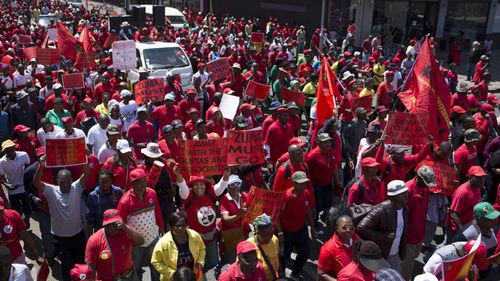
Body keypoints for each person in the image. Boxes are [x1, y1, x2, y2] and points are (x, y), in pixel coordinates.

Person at [33, 156, 89, 281]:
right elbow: (36, 183)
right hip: (60, 239)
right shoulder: (51, 190)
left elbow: (86, 173)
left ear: (71, 180)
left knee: (80, 266)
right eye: (61, 182)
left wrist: (84, 158)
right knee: (67, 267)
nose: (65, 185)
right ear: (56, 181)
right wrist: (41, 166)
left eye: (67, 181)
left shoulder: (76, 187)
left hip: (77, 236)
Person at [173, 164, 230, 271]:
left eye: (202, 184)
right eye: (196, 185)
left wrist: (226, 174)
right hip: (195, 239)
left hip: (211, 237)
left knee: (213, 261)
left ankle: (199, 273)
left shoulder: (211, 193)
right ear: (192, 187)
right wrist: (178, 174)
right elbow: (182, 185)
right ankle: (198, 276)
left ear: (205, 185)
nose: (199, 187)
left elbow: (222, 185)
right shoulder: (187, 196)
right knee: (196, 262)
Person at [118, 168, 164, 281]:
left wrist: (161, 226)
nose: (143, 184)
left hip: (153, 238)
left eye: (144, 180)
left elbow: (157, 211)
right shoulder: (125, 201)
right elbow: (121, 223)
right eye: (139, 181)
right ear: (132, 183)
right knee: (136, 269)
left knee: (156, 265)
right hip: (135, 244)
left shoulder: (152, 193)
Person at [357, 180, 409, 271]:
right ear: (393, 196)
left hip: (396, 255)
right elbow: (361, 228)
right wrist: (383, 237)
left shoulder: (405, 209)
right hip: (381, 256)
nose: (406, 195)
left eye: (405, 192)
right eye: (402, 193)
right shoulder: (380, 210)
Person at [85, 209, 145, 281]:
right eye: (111, 224)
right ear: (105, 225)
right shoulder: (94, 240)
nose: (115, 227)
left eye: (116, 223)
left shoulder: (125, 232)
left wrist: (126, 228)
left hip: (129, 277)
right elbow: (91, 266)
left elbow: (141, 241)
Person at [277, 171, 316, 280]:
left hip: (300, 228)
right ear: (294, 183)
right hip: (287, 231)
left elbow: (307, 210)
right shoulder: (287, 196)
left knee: (305, 252)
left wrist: (312, 228)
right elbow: (277, 217)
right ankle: (282, 275)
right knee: (284, 255)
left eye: (305, 183)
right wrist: (280, 233)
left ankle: (295, 273)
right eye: (301, 183)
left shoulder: (306, 193)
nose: (304, 185)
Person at [400, 166, 436, 280]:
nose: (427, 185)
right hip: (409, 236)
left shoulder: (425, 188)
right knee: (407, 267)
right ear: (419, 178)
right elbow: (403, 216)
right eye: (426, 182)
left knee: (414, 256)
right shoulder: (407, 190)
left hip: (420, 232)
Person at [151, 212, 205, 281]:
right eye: (177, 226)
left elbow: (202, 249)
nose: (180, 228)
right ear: (170, 227)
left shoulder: (195, 236)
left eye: (183, 225)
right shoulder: (163, 243)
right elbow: (155, 261)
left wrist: (200, 262)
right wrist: (171, 273)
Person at [448, 166, 486, 241]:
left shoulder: (477, 188)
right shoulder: (462, 192)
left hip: (470, 226)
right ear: (470, 177)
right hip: (458, 229)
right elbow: (453, 213)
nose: (482, 180)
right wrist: (462, 230)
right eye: (479, 177)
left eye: (483, 177)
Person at [317, 214, 360, 279]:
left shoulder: (355, 237)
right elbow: (321, 273)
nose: (348, 231)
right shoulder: (327, 249)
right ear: (337, 228)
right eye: (344, 228)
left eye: (351, 228)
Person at [0, 140, 31, 227]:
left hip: (24, 187)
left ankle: (27, 220)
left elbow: (29, 168)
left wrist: (28, 182)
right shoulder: (1, 162)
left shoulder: (24, 155)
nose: (10, 152)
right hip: (12, 190)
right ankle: (20, 225)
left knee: (28, 208)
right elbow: (1, 177)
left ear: (14, 148)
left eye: (11, 149)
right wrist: (7, 185)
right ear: (4, 151)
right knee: (16, 210)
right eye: (7, 150)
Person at [220, 175, 249, 263]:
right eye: (233, 184)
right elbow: (226, 219)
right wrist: (239, 214)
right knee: (233, 258)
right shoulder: (224, 199)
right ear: (227, 187)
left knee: (244, 254)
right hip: (231, 233)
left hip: (244, 232)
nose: (236, 186)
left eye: (238, 183)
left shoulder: (244, 196)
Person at [247, 214, 281, 281]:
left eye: (270, 233)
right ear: (257, 232)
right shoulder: (248, 246)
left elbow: (277, 257)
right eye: (264, 235)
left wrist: (280, 273)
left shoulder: (274, 239)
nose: (268, 238)